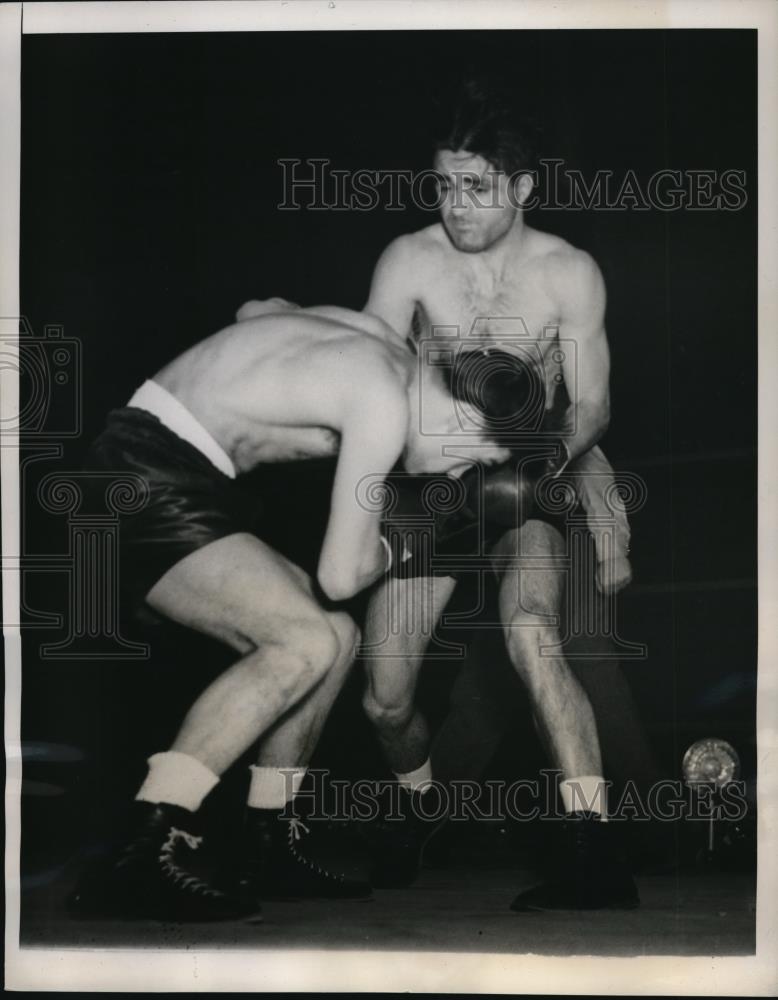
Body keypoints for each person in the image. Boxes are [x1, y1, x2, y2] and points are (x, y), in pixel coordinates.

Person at [69, 299, 511, 923]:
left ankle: (265, 840)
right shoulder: (383, 401)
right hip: (143, 476)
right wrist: (417, 536)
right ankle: (138, 850)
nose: (458, 473)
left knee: (337, 636)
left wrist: (245, 381)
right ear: (464, 414)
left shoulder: (378, 340)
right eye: (473, 457)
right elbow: (339, 574)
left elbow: (259, 309)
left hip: (176, 470)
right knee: (304, 640)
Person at [359, 88, 641, 910]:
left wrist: (546, 458)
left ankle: (595, 849)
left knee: (531, 633)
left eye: (477, 187)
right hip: (430, 489)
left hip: (527, 485)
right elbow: (368, 367)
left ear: (521, 189)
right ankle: (418, 810)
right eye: (445, 185)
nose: (457, 206)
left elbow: (592, 404)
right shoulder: (407, 259)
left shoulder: (567, 271)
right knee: (385, 699)